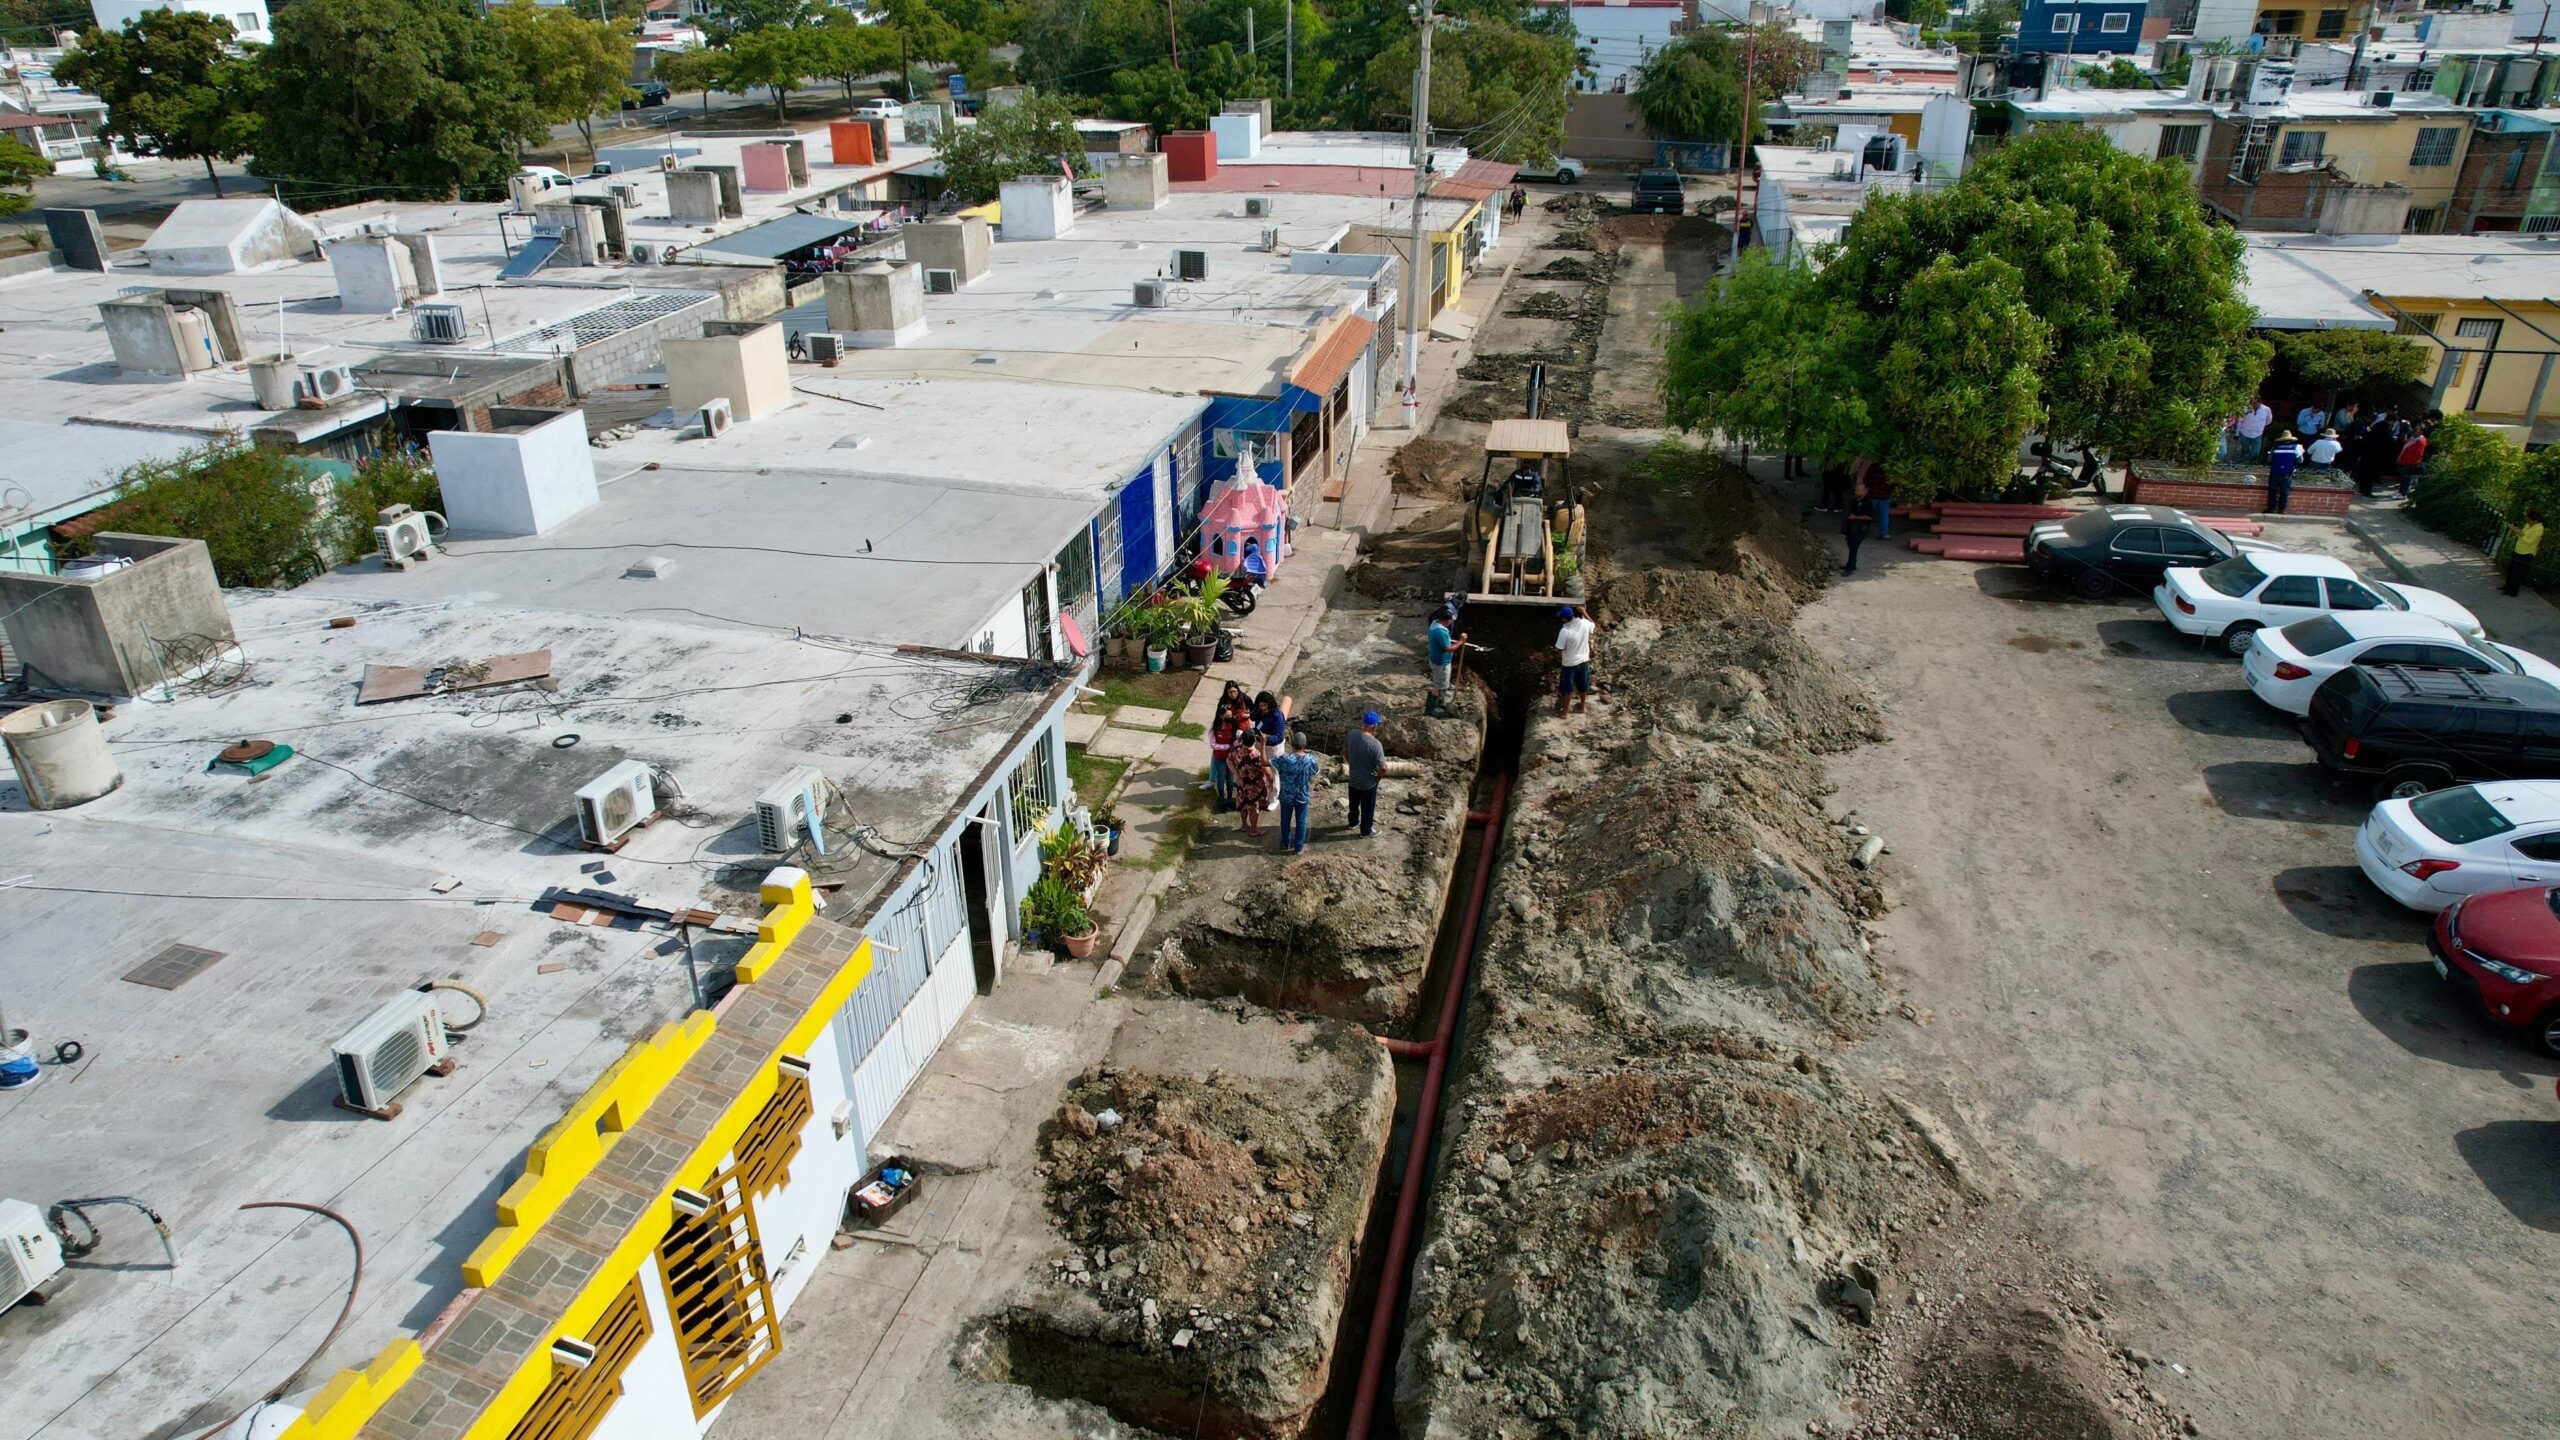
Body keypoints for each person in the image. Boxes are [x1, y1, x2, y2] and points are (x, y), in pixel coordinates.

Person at [1271, 735, 1322, 854]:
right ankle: (1299, 848)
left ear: (1292, 745)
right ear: (1305, 746)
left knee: (1285, 820)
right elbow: (1315, 771)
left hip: (1286, 795)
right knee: (1301, 821)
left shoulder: (1285, 759)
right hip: (1302, 795)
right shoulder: (1310, 759)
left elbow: (1267, 762)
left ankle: (1285, 842)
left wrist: (1263, 745)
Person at [1344, 710, 1386, 837]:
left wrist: (1352, 763)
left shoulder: (1352, 734)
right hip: (1368, 783)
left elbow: (1345, 752)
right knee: (1367, 809)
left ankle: (1353, 823)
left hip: (1353, 778)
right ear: (1374, 727)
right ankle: (1366, 831)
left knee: (1353, 803)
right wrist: (1378, 778)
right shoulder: (1375, 745)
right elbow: (1383, 767)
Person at [1554, 604, 1596, 717]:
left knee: (1567, 688)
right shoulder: (1584, 623)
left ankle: (1565, 712)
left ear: (1564, 618)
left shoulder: (1565, 631)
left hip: (1569, 664)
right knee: (1583, 685)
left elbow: (1560, 647)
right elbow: (1593, 624)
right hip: (1583, 661)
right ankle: (1582, 707)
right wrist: (1584, 612)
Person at [1426, 606, 1467, 717]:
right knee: (1438, 686)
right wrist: (1461, 641)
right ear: (1446, 620)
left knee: (1441, 683)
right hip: (1440, 663)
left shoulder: (1435, 623)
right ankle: (1431, 710)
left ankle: (1440, 702)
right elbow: (1449, 649)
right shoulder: (1440, 631)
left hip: (1436, 659)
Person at [1229, 737, 1274, 840]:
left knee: (1243, 805)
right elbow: (1267, 771)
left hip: (1241, 783)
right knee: (1254, 809)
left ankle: (1244, 825)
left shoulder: (1236, 750)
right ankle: (1254, 830)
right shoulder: (1256, 755)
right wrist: (1271, 781)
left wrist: (1237, 775)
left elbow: (1229, 761)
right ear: (1254, 741)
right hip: (1254, 786)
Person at [2507, 509, 2545, 597]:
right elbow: (2522, 533)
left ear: (2535, 520)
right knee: (2511, 569)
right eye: (2527, 520)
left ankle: (2513, 591)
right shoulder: (2528, 525)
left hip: (2526, 553)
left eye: (2529, 520)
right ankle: (2507, 587)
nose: (2528, 522)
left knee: (2518, 573)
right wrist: (2516, 531)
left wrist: (2521, 535)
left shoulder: (2539, 529)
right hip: (2518, 549)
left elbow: (2530, 542)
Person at [2265, 429, 2304, 515]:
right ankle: (2282, 510)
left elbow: (2269, 459)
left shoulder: (2275, 447)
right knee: (2284, 492)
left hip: (2275, 471)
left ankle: (2271, 509)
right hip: (2287, 472)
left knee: (2272, 491)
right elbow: (2300, 461)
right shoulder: (2297, 447)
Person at [1842, 479, 1873, 574]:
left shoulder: (1867, 502)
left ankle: (1849, 568)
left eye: (1859, 491)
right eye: (1856, 490)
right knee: (1851, 545)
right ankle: (1852, 564)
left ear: (1865, 491)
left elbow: (1869, 517)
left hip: (1861, 529)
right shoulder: (1854, 500)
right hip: (1852, 528)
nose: (1856, 492)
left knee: (1853, 547)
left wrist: (1856, 517)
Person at [2395, 423, 2430, 499]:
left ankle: (2403, 493)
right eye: (2415, 429)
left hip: (2411, 462)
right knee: (2403, 477)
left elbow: (2419, 454)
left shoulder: (2421, 441)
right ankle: (2401, 491)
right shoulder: (2413, 438)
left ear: (2421, 431)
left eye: (2417, 429)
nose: (2415, 431)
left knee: (2406, 478)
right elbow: (2407, 445)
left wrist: (2412, 463)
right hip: (2405, 460)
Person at [1866, 465, 1895, 540]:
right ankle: (1884, 534)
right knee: (1884, 516)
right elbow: (1895, 482)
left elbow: (1866, 479)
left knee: (1867, 513)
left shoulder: (1873, 467)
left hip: (1873, 494)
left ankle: (1863, 532)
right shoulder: (1891, 467)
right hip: (1885, 496)